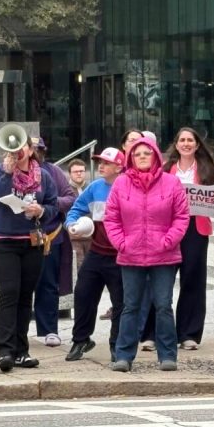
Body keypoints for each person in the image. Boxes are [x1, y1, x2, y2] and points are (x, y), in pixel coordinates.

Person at [104, 136, 190, 372]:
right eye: (137, 153)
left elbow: (181, 216)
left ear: (155, 156)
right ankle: (123, 356)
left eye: (146, 153)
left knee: (163, 305)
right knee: (130, 306)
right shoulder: (121, 183)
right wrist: (121, 243)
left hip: (164, 255)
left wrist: (168, 240)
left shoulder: (172, 183)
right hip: (131, 255)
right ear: (131, 158)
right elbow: (111, 217)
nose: (142, 157)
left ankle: (167, 355)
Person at [138, 128, 214, 352]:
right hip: (167, 229)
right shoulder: (165, 168)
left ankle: (189, 333)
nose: (186, 144)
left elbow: (213, 196)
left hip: (195, 229)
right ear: (175, 144)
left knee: (193, 279)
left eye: (190, 140)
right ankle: (151, 333)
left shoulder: (206, 169)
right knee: (159, 279)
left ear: (197, 145)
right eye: (182, 140)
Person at [0, 136, 58, 373]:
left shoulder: (44, 176)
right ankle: (5, 350)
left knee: (26, 295)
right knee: (9, 293)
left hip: (31, 242)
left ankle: (21, 350)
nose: (18, 151)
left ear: (30, 150)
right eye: (13, 147)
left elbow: (53, 206)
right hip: (4, 241)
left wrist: (42, 210)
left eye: (22, 146)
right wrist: (8, 174)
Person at [64, 147, 125, 362]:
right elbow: (76, 209)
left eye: (106, 163)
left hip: (120, 255)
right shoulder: (95, 187)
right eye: (99, 162)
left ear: (119, 166)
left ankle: (117, 345)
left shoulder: (129, 186)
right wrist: (71, 223)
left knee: (120, 302)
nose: (101, 166)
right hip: (97, 251)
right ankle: (81, 340)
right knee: (83, 294)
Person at [31, 137, 77, 348]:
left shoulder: (54, 172)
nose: (35, 153)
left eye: (38, 150)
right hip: (20, 237)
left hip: (50, 238)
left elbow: (70, 198)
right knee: (19, 287)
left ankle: (49, 329)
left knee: (48, 285)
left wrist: (49, 203)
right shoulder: (11, 172)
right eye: (31, 149)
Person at [97, 128, 143, 322]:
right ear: (123, 146)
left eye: (138, 142)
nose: (134, 146)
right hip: (116, 245)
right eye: (130, 141)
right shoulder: (107, 183)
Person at [67, 158, 91, 270]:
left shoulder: (91, 188)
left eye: (81, 171)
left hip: (92, 238)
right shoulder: (65, 190)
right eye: (75, 171)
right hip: (73, 238)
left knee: (92, 270)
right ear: (69, 174)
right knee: (78, 268)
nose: (79, 174)